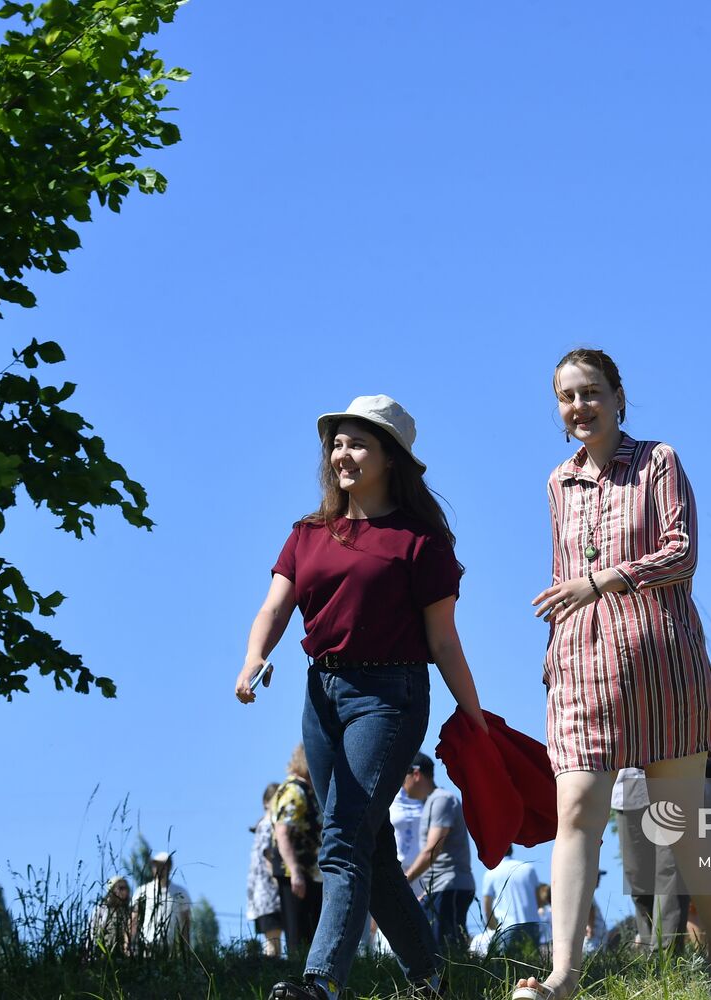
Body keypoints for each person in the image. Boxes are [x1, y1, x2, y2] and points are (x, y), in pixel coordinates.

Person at [234, 393, 488, 1000]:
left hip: (391, 695)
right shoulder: (308, 534)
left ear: (390, 458)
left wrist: (473, 716)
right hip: (322, 695)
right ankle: (431, 977)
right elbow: (275, 606)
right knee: (367, 844)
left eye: (358, 443)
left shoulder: (420, 541)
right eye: (337, 443)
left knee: (344, 837)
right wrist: (252, 659)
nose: (342, 454)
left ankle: (320, 982)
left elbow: (444, 640)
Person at [518, 348, 711, 1000]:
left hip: (660, 661)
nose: (579, 406)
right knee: (577, 814)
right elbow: (566, 580)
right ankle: (563, 975)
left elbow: (680, 554)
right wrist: (556, 648)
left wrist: (603, 581)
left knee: (677, 822)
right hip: (581, 668)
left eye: (590, 392)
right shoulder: (557, 483)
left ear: (619, 395)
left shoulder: (659, 461)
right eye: (567, 397)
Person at [402, 752, 476, 949]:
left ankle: (458, 981)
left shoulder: (441, 800)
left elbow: (433, 849)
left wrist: (404, 880)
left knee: (448, 950)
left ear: (416, 774)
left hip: (450, 885)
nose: (401, 784)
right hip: (440, 887)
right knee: (437, 948)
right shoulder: (430, 803)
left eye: (403, 777)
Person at [611, 767, 689, 954]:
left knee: (669, 869)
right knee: (637, 878)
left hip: (670, 779)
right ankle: (647, 955)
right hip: (627, 791)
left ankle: (666, 953)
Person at [270, 745, 323, 955]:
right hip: (298, 873)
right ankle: (298, 979)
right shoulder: (294, 791)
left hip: (310, 873)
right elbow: (282, 832)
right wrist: (296, 872)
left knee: (310, 935)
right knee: (299, 937)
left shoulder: (305, 789)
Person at [481, 847, 543, 955]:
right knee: (532, 963)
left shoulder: (491, 873)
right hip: (532, 924)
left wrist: (492, 928)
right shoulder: (528, 868)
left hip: (506, 926)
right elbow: (539, 899)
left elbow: (487, 907)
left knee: (506, 965)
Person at [248, 782, 284, 958]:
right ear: (266, 802)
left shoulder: (261, 825)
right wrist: (278, 879)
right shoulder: (268, 825)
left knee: (272, 939)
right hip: (269, 892)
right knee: (273, 941)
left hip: (261, 893)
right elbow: (268, 855)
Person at [130, 852, 191, 954]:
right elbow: (134, 919)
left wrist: (185, 948)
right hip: (146, 946)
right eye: (155, 865)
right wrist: (130, 944)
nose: (158, 869)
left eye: (162, 866)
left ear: (169, 867)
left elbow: (186, 922)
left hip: (171, 948)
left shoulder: (180, 892)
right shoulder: (142, 891)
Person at [89, 875, 130, 956]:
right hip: (103, 954)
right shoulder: (102, 910)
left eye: (126, 888)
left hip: (123, 956)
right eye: (121, 888)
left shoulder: (128, 912)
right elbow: (94, 934)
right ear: (112, 890)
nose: (124, 891)